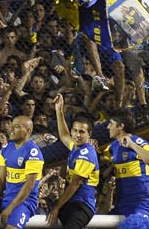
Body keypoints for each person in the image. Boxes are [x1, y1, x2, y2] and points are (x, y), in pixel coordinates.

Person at [49, 95, 100, 229]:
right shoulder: (76, 147)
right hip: (71, 202)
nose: (77, 135)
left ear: (89, 134)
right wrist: (59, 111)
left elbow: (75, 183)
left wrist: (57, 207)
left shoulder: (86, 153)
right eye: (75, 131)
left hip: (81, 206)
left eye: (82, 132)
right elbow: (64, 136)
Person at [0, 115, 45, 229]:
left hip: (24, 203)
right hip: (7, 200)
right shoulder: (5, 150)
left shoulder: (33, 152)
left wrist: (11, 207)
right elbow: (0, 180)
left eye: (16, 127)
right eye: (11, 126)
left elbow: (29, 185)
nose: (11, 129)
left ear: (28, 131)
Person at [106, 108, 149, 219]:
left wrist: (132, 145)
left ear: (121, 126)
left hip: (141, 202)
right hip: (122, 202)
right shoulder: (112, 147)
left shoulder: (137, 142)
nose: (108, 127)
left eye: (111, 124)